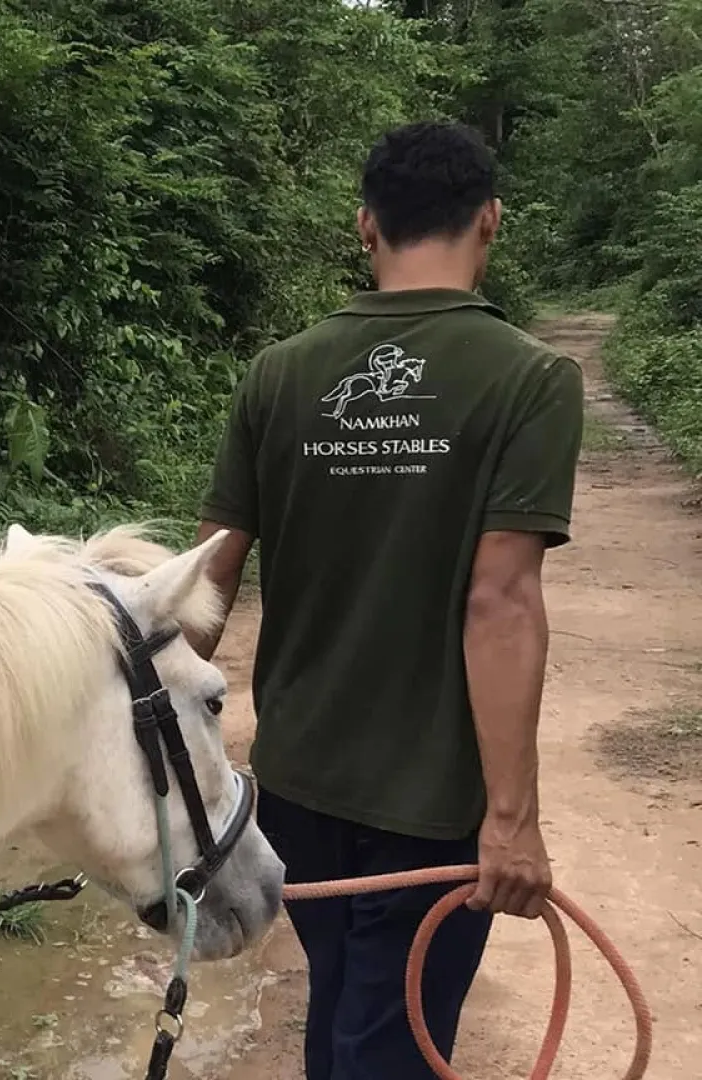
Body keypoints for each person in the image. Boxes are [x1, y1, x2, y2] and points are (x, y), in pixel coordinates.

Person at [187, 119, 582, 1079]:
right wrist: (511, 817)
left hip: (295, 786)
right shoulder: (529, 380)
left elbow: (208, 575)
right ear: (490, 220)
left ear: (365, 225)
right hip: (430, 806)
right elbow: (500, 602)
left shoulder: (278, 373)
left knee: (348, 1014)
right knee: (386, 1040)